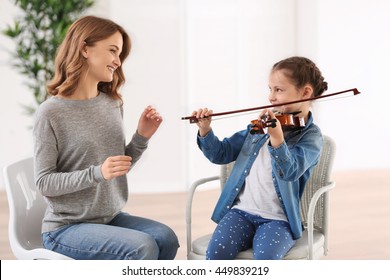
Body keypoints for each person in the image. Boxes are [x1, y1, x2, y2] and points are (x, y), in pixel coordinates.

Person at [33, 15, 179, 260]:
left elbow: (116, 169)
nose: (117, 61)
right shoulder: (51, 112)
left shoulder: (111, 103)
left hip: (110, 217)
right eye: (113, 51)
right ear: (84, 49)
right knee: (142, 246)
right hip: (66, 228)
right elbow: (44, 183)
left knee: (166, 239)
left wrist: (141, 137)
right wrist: (97, 172)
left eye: (120, 54)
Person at [192, 56, 327, 260]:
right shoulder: (261, 125)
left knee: (266, 259)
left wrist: (278, 140)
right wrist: (205, 130)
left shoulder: (311, 137)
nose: (271, 97)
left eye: (279, 90)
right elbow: (221, 153)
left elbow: (289, 171)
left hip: (278, 220)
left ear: (305, 92)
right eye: (270, 89)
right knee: (217, 253)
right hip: (240, 212)